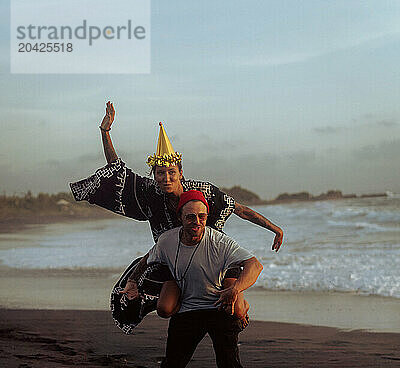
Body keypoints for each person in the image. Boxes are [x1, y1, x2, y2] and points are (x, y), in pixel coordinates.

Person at [69, 101, 283, 333]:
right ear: (155, 175)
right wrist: (105, 132)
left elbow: (238, 208)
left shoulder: (202, 191)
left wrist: (274, 229)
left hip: (213, 261)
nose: (166, 178)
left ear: (181, 172)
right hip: (174, 263)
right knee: (164, 309)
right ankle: (184, 305)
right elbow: (118, 173)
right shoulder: (151, 193)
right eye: (160, 173)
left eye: (172, 172)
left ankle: (234, 304)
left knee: (236, 311)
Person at [126, 189, 264, 368]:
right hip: (188, 308)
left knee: (229, 362)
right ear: (180, 216)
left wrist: (236, 289)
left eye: (201, 217)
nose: (196, 222)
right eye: (190, 217)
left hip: (217, 306)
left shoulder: (219, 241)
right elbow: (146, 260)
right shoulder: (167, 241)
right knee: (172, 361)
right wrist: (133, 282)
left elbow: (254, 264)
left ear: (206, 216)